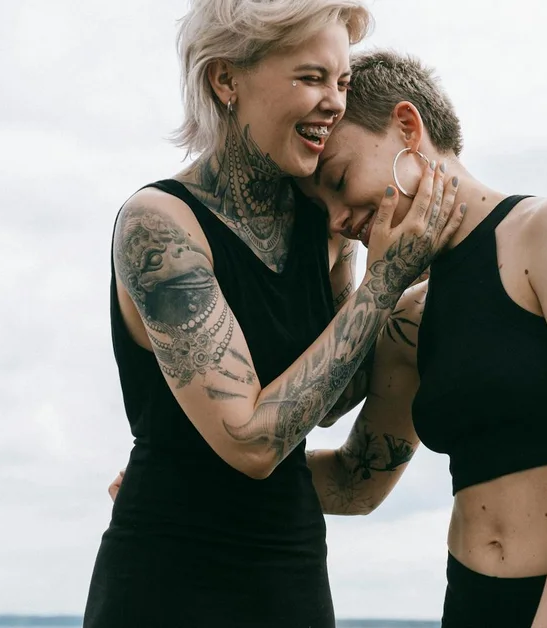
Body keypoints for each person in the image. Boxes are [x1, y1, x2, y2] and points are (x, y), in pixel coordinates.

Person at [84, 1, 464, 624]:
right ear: (226, 79)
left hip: (291, 572)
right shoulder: (159, 225)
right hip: (165, 582)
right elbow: (253, 442)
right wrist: (384, 284)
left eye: (342, 83)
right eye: (312, 78)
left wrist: (414, 297)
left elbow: (325, 398)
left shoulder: (325, 227)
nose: (336, 103)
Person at [300, 50, 547, 627]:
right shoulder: (408, 320)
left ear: (407, 127)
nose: (336, 217)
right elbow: (357, 483)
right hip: (475, 605)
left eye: (338, 179)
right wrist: (194, 482)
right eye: (320, 209)